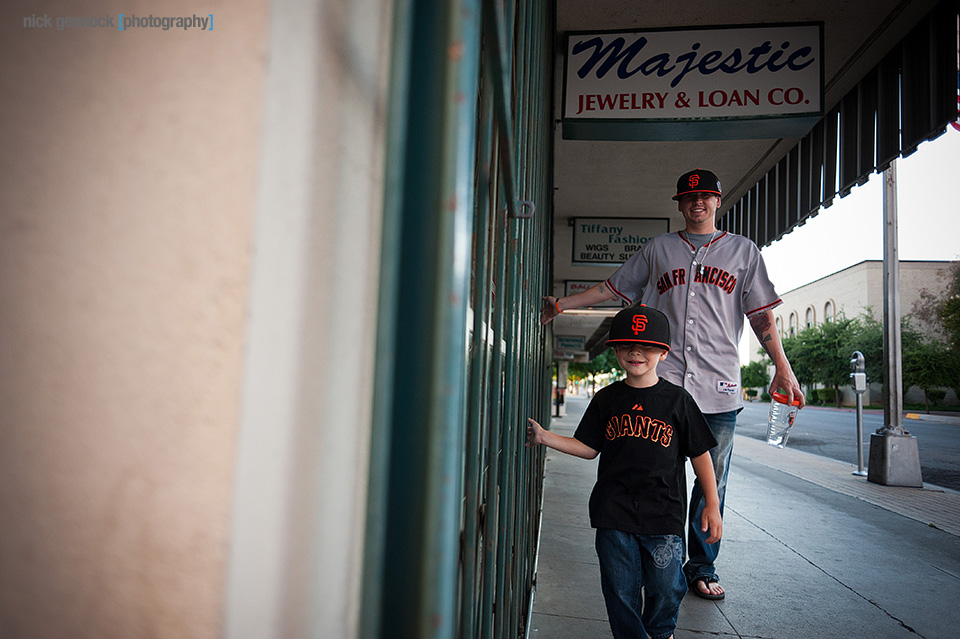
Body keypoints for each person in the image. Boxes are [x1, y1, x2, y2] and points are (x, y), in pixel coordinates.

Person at [539, 168, 804, 600]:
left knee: (710, 483)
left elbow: (760, 315)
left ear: (718, 201)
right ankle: (654, 555)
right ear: (679, 204)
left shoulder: (743, 252)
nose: (697, 202)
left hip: (718, 388)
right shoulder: (659, 249)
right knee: (651, 472)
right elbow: (614, 287)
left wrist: (783, 367)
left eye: (705, 195)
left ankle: (701, 566)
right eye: (689, 196)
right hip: (663, 386)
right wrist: (562, 305)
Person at [526, 305, 721, 639]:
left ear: (663, 352)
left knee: (666, 587)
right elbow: (588, 448)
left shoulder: (678, 401)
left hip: (663, 513)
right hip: (613, 511)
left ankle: (659, 632)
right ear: (615, 350)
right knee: (619, 591)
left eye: (646, 345)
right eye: (627, 345)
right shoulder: (607, 398)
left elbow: (701, 454)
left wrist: (712, 506)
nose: (635, 351)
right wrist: (545, 437)